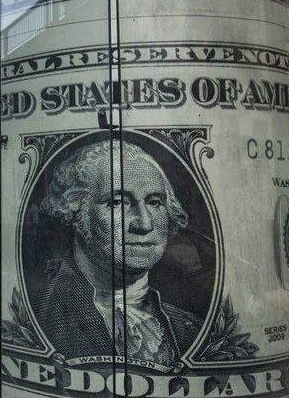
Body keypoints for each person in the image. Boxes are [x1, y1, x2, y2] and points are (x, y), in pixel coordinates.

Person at [31, 139, 201, 367]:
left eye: (154, 202)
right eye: (118, 202)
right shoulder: (39, 317)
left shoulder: (191, 327)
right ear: (74, 209)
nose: (144, 223)